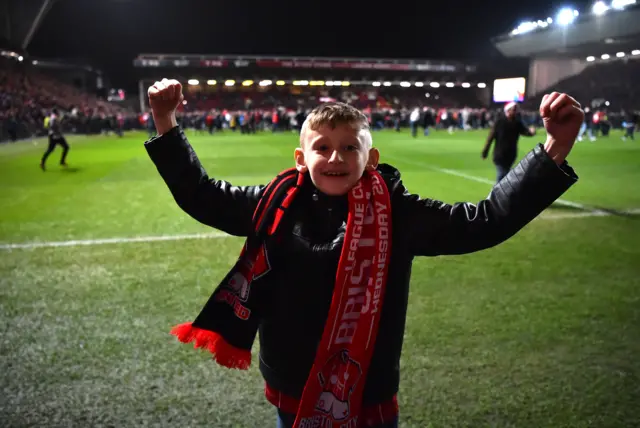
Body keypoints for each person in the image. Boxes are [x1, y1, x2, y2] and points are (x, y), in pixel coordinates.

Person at [144, 78, 582, 428]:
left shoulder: (399, 214)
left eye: (350, 147)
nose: (336, 156)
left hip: (368, 391)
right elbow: (201, 196)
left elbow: (486, 220)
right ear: (301, 157)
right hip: (292, 386)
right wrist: (165, 120)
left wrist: (555, 147)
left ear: (371, 158)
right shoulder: (273, 204)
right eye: (322, 147)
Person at [481, 102, 537, 183]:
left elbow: (525, 132)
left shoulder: (517, 123)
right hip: (500, 154)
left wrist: (531, 132)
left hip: (511, 155)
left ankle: (499, 194)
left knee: (505, 177)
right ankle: (496, 195)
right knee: (501, 177)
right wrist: (485, 152)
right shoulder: (499, 122)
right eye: (514, 110)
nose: (515, 111)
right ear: (508, 110)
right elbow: (490, 138)